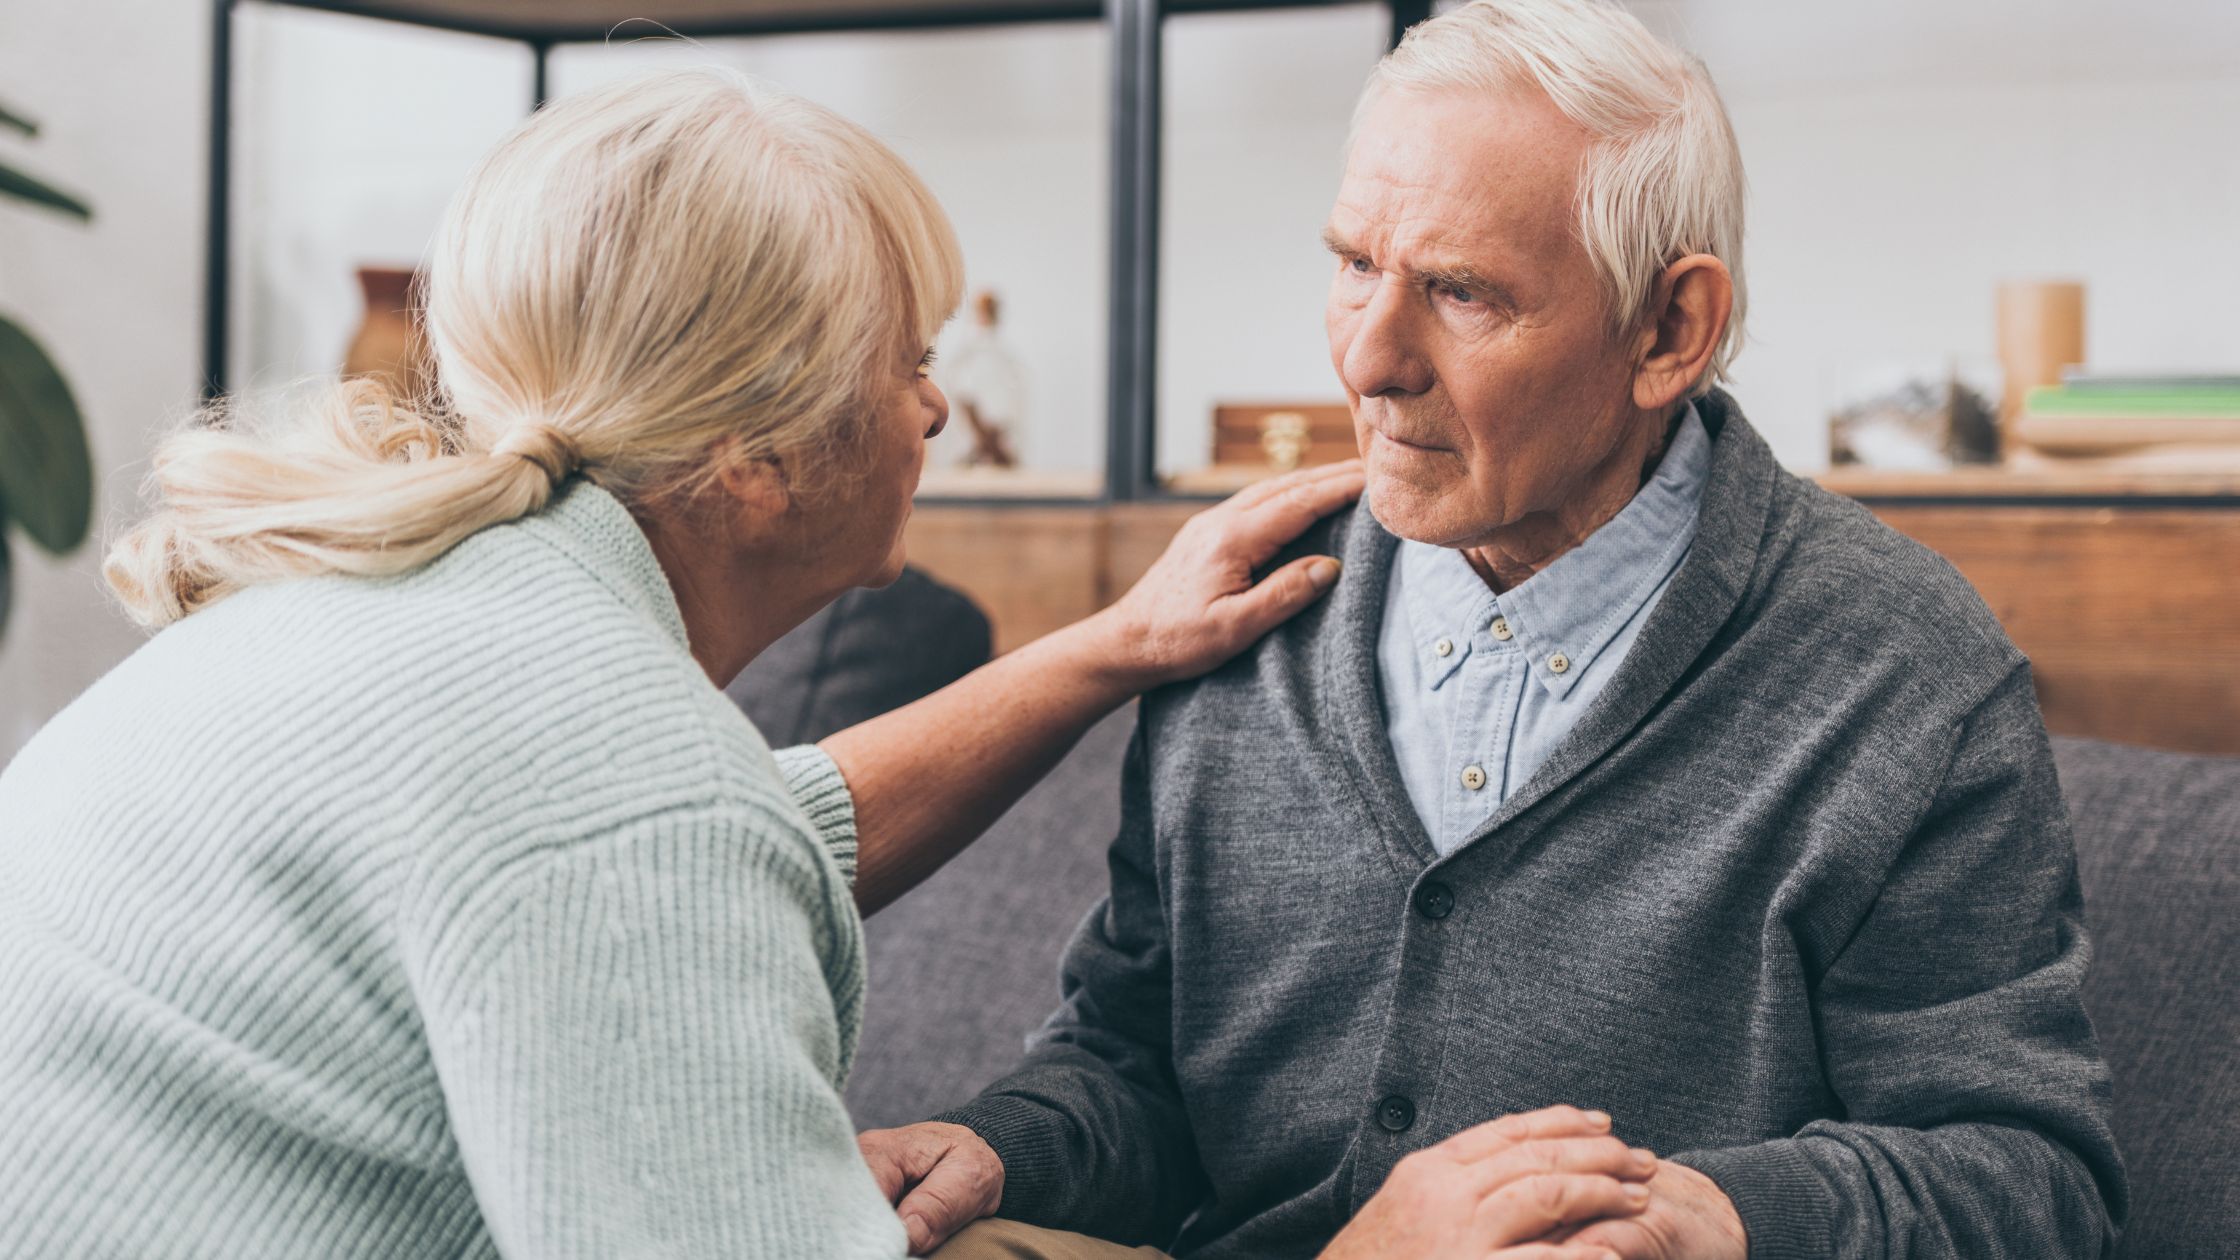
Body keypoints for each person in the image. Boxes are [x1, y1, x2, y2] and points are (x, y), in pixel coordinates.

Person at [0, 69, 1367, 1259]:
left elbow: (733, 830)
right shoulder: (625, 805)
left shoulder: (397, 610)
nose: (939, 407)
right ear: (760, 456)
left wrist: (1111, 647)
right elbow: (652, 843)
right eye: (909, 360)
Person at [858, 3, 2126, 1258]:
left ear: (1668, 329)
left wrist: (1713, 1220)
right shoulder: (1240, 604)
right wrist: (1003, 1146)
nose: (1367, 360)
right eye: (1354, 263)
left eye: (1460, 293)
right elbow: (1133, 1066)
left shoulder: (1899, 668)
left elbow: (2027, 1182)